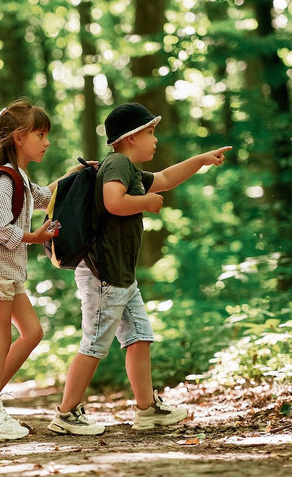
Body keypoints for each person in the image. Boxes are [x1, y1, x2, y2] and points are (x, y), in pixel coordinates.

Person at [47, 103, 232, 435]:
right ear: (131, 137)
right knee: (94, 344)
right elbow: (113, 201)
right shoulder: (118, 163)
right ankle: (66, 414)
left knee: (139, 337)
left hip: (121, 276)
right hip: (104, 275)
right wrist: (146, 203)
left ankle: (147, 410)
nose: (155, 139)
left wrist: (200, 160)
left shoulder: (127, 168)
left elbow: (164, 179)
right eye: (150, 132)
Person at [0, 98, 62, 442]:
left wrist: (79, 176)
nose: (46, 142)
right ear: (19, 138)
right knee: (1, 341)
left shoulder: (20, 178)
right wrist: (35, 237)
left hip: (8, 272)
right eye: (40, 134)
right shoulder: (3, 182)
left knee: (32, 333)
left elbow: (46, 197)